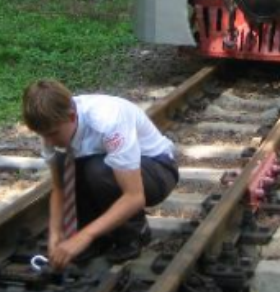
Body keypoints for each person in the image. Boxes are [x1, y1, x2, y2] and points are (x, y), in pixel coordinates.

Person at [22, 79, 179, 267]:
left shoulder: (108, 120)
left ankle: (134, 234)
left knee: (97, 170)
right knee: (69, 164)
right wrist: (55, 233)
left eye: (53, 134)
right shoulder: (51, 127)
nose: (48, 140)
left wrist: (84, 236)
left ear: (72, 117)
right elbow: (59, 188)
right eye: (43, 135)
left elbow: (134, 196)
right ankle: (99, 241)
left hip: (157, 171)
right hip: (113, 171)